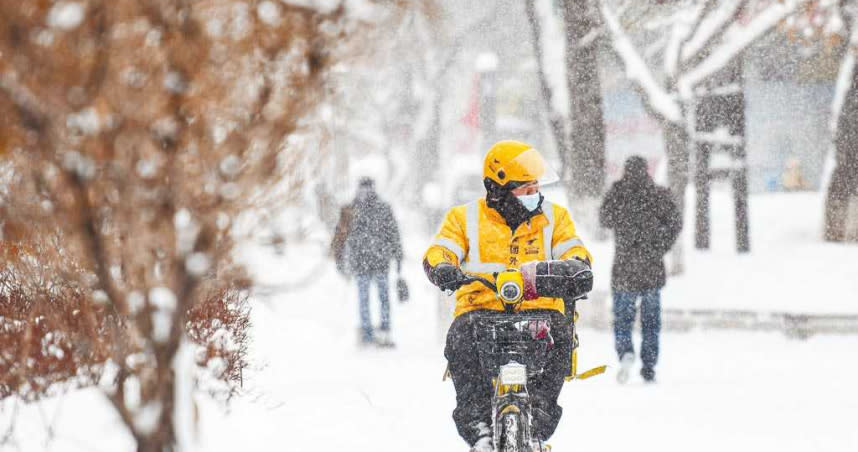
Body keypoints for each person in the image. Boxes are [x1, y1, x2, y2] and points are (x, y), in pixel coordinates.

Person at [422, 140, 593, 452]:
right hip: (479, 312)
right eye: (525, 190)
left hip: (540, 312)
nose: (534, 196)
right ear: (499, 189)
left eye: (536, 188)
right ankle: (480, 433)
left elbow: (575, 250)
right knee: (460, 343)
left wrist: (574, 268)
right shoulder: (463, 218)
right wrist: (442, 267)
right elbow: (441, 250)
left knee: (562, 341)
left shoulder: (556, 218)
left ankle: (538, 426)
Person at [599, 156, 681, 384]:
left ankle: (625, 351)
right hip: (651, 269)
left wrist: (617, 197)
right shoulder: (658, 195)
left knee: (623, 319)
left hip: (624, 269)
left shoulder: (619, 194)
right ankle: (649, 364)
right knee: (651, 321)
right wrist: (660, 246)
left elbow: (604, 219)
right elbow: (675, 223)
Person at [331, 177, 403, 347]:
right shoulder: (380, 208)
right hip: (378, 260)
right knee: (381, 298)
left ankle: (369, 333)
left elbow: (339, 237)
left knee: (367, 299)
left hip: (363, 261)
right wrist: (398, 256)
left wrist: (340, 260)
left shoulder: (351, 209)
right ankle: (382, 331)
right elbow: (394, 234)